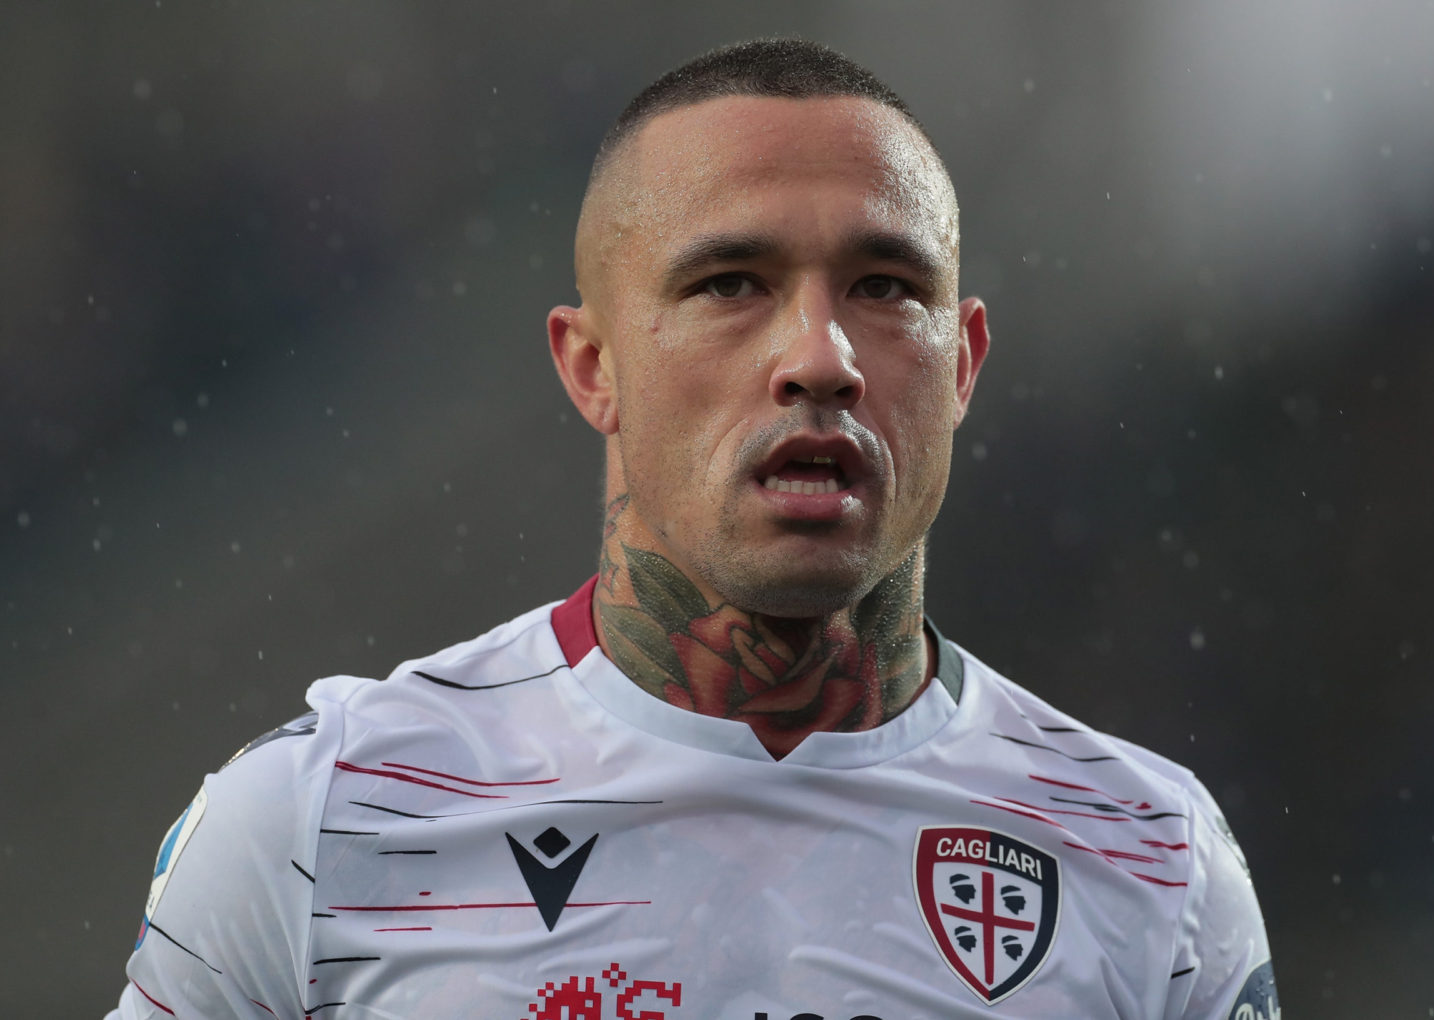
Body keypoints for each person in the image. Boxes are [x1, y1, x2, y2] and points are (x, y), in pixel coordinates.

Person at [107, 39, 1277, 1019]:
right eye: (731, 284)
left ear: (962, 364)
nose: (819, 356)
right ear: (591, 364)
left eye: (884, 287)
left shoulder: (1147, 858)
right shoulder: (323, 823)